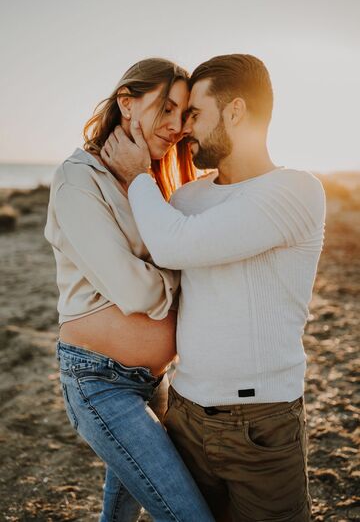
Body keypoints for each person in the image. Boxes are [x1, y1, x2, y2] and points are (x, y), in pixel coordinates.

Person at [101, 54, 326, 522]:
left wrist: (138, 175)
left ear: (236, 111)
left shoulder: (295, 191)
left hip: (261, 424)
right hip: (185, 414)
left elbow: (172, 245)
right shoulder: (188, 197)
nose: (184, 129)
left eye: (195, 114)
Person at [44, 57, 214, 522]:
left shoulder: (151, 181)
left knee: (120, 514)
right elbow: (137, 293)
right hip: (99, 383)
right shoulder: (77, 179)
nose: (178, 126)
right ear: (126, 102)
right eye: (167, 109)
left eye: (185, 114)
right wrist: (177, 280)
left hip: (154, 383)